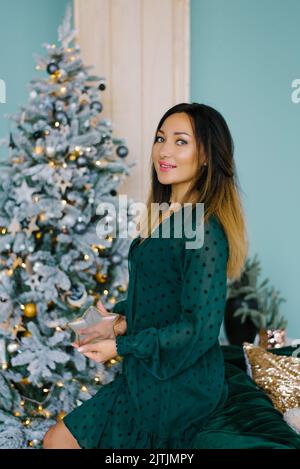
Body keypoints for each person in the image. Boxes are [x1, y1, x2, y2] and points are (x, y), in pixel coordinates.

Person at [43, 102, 248, 449]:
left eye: (181, 141)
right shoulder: (168, 216)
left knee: (57, 442)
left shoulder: (205, 231)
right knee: (56, 441)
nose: (164, 151)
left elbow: (197, 329)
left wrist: (120, 345)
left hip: (178, 384)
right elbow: (163, 292)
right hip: (146, 371)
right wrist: (119, 319)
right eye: (160, 138)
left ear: (206, 157)